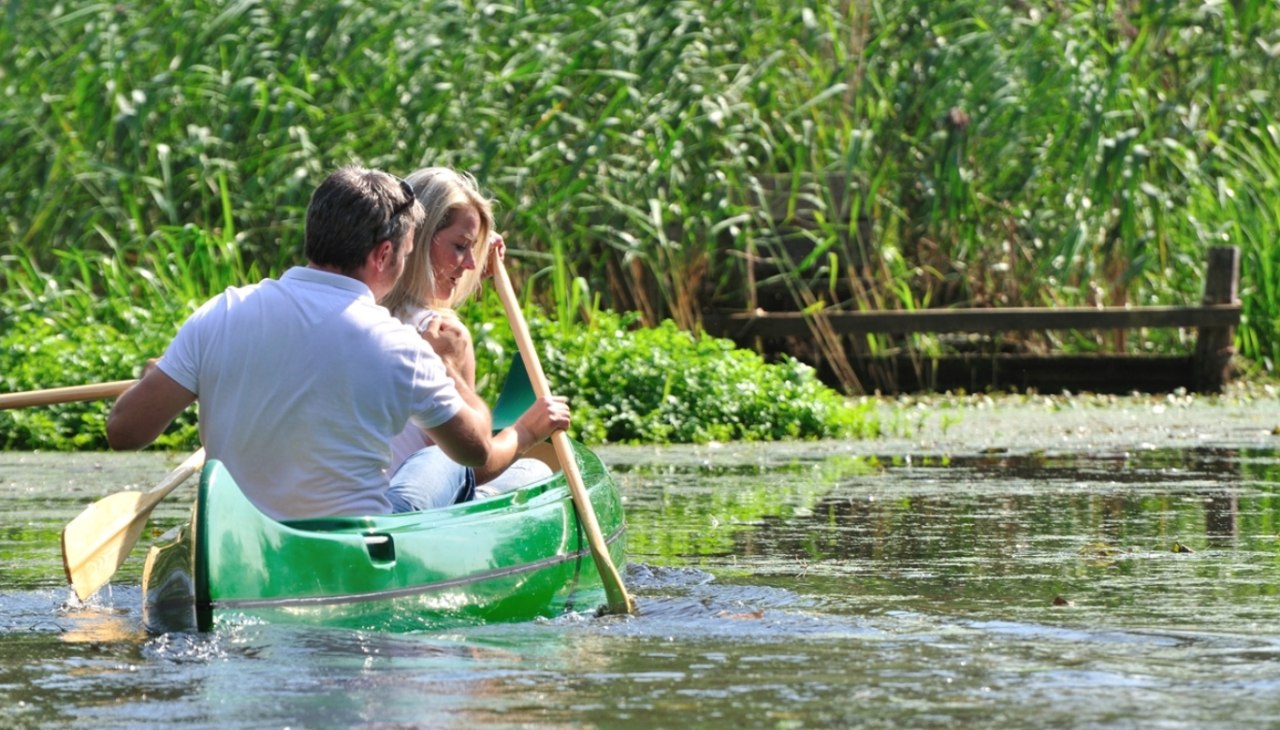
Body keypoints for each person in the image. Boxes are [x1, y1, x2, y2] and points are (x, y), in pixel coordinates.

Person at [105, 165, 512, 520]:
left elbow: (124, 431)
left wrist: (160, 377)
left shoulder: (221, 312)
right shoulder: (401, 345)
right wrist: (454, 373)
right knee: (444, 462)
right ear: (384, 254)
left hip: (239, 544)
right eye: (405, 253)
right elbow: (475, 452)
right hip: (346, 555)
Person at [380, 166, 568, 501]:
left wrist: (470, 248)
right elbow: (468, 463)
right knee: (537, 471)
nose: (469, 264)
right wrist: (526, 431)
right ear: (420, 239)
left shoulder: (364, 311)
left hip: (357, 498)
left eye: (473, 251)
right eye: (459, 247)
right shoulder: (447, 337)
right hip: (414, 509)